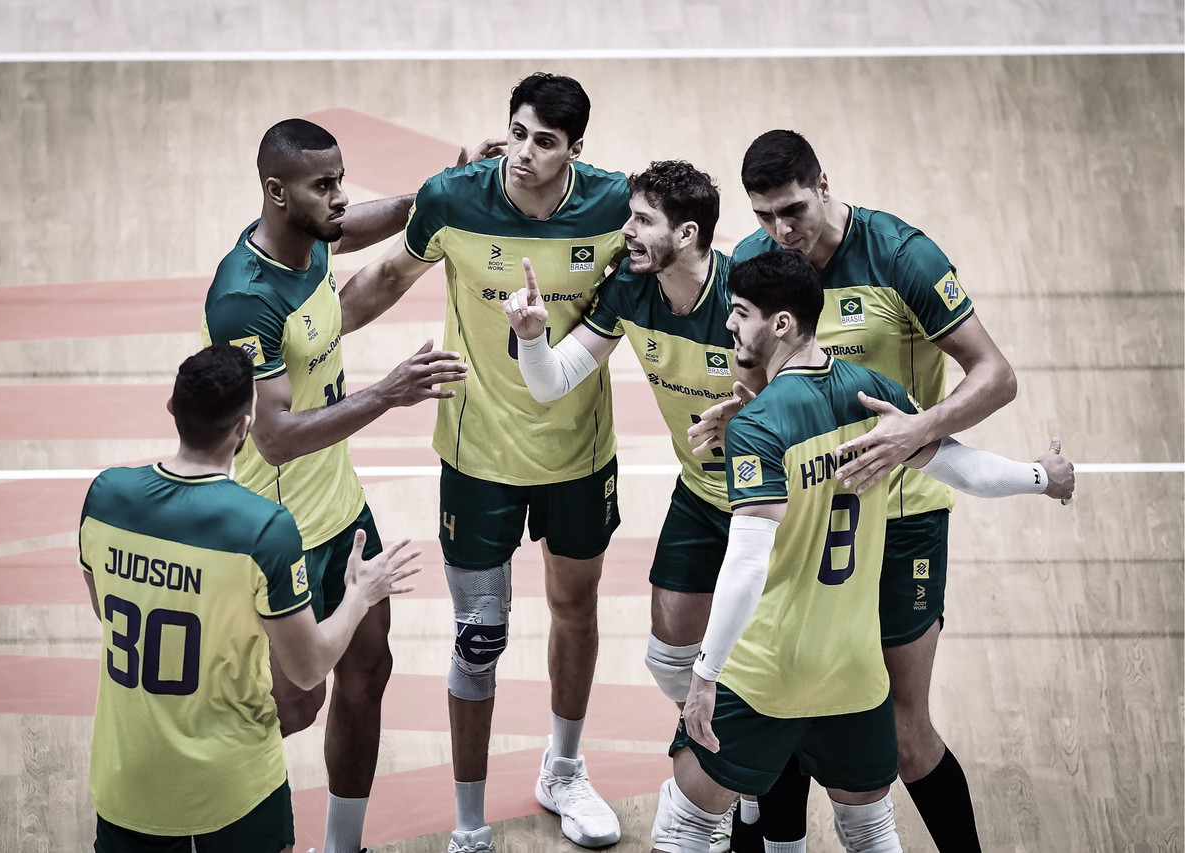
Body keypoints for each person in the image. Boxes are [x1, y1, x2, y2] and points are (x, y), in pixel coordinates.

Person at [649, 251, 1074, 853]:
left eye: (740, 314)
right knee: (871, 835)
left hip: (768, 669)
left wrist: (705, 673)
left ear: (782, 325)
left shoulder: (758, 425)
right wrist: (1042, 476)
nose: (729, 327)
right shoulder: (873, 394)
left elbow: (745, 562)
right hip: (855, 672)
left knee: (686, 823)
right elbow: (965, 470)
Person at [343, 73, 631, 853]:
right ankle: (469, 823)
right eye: (517, 132)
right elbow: (384, 277)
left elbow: (671, 273)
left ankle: (563, 770)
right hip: (478, 453)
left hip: (578, 451)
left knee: (577, 609)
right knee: (478, 636)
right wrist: (308, 334)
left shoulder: (615, 208)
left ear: (576, 149)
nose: (523, 153)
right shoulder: (454, 199)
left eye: (545, 141)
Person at [716, 129, 1020, 852]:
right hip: (810, 513)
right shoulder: (760, 262)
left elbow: (995, 376)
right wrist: (746, 403)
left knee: (904, 733)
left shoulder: (901, 256)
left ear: (824, 181)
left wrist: (916, 429)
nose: (779, 232)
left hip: (905, 514)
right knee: (781, 706)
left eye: (791, 210)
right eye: (763, 216)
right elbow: (758, 370)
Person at [203, 118, 472, 853]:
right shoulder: (243, 297)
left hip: (342, 509)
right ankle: (202, 816)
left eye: (340, 179)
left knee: (368, 669)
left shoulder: (309, 235)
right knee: (293, 706)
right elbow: (275, 436)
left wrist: (442, 190)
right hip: (276, 527)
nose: (340, 197)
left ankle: (341, 845)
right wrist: (387, 394)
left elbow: (364, 221)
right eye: (324, 185)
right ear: (275, 192)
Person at [79, 344, 422, 853]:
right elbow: (307, 671)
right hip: (234, 784)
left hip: (128, 777)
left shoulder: (105, 497)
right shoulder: (263, 529)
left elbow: (104, 606)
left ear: (173, 409)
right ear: (244, 428)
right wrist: (358, 595)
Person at [503, 159, 765, 710]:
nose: (627, 231)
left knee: (765, 663)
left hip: (771, 503)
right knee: (669, 662)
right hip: (700, 494)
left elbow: (816, 395)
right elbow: (553, 383)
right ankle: (733, 766)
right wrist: (532, 339)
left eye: (644, 221)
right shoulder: (631, 287)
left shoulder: (747, 296)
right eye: (630, 217)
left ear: (687, 234)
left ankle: (747, 781)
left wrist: (759, 413)